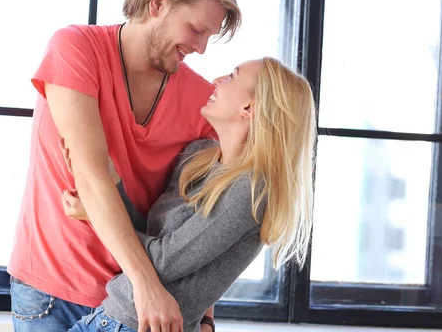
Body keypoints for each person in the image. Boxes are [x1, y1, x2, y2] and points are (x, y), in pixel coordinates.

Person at [7, 0, 241, 332]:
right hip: (52, 289)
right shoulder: (75, 49)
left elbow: (201, 219)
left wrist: (205, 319)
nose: (200, 48)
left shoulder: (203, 102)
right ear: (158, 4)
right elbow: (93, 175)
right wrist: (145, 284)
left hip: (139, 305)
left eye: (208, 37)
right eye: (196, 29)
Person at [60, 57, 317, 332]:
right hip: (110, 317)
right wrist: (113, 186)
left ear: (249, 107)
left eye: (232, 75)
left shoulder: (252, 190)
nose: (217, 80)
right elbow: (154, 238)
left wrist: (96, 215)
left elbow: (165, 262)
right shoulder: (197, 157)